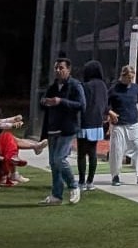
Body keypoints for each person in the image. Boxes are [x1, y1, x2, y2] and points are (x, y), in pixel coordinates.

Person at [31, 57, 85, 205]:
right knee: (53, 164)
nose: (58, 71)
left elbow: (81, 105)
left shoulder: (75, 85)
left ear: (68, 69)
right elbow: (44, 104)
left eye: (61, 68)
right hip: (53, 128)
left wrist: (61, 102)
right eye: (56, 68)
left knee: (59, 159)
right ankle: (56, 196)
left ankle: (74, 186)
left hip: (67, 128)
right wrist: (44, 102)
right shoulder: (53, 86)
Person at [105, 64, 138, 185]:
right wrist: (110, 113)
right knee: (117, 151)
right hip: (119, 125)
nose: (130, 81)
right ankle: (115, 175)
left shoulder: (135, 88)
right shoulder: (114, 89)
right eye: (128, 78)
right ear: (123, 76)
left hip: (133, 124)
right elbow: (104, 104)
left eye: (132, 78)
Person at [77, 60, 109, 192]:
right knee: (92, 152)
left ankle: (81, 182)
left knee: (81, 153)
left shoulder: (85, 85)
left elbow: (81, 103)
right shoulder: (103, 85)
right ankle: (90, 181)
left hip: (85, 122)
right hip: (97, 123)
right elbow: (105, 104)